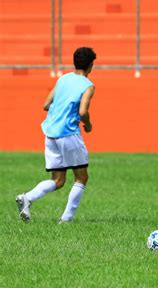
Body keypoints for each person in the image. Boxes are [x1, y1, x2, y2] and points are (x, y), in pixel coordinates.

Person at [15, 47, 96, 223]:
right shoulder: (88, 86)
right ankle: (66, 219)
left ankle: (27, 198)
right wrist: (88, 125)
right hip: (68, 134)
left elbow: (46, 104)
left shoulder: (63, 79)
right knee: (82, 177)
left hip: (50, 134)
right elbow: (83, 111)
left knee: (58, 180)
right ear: (91, 66)